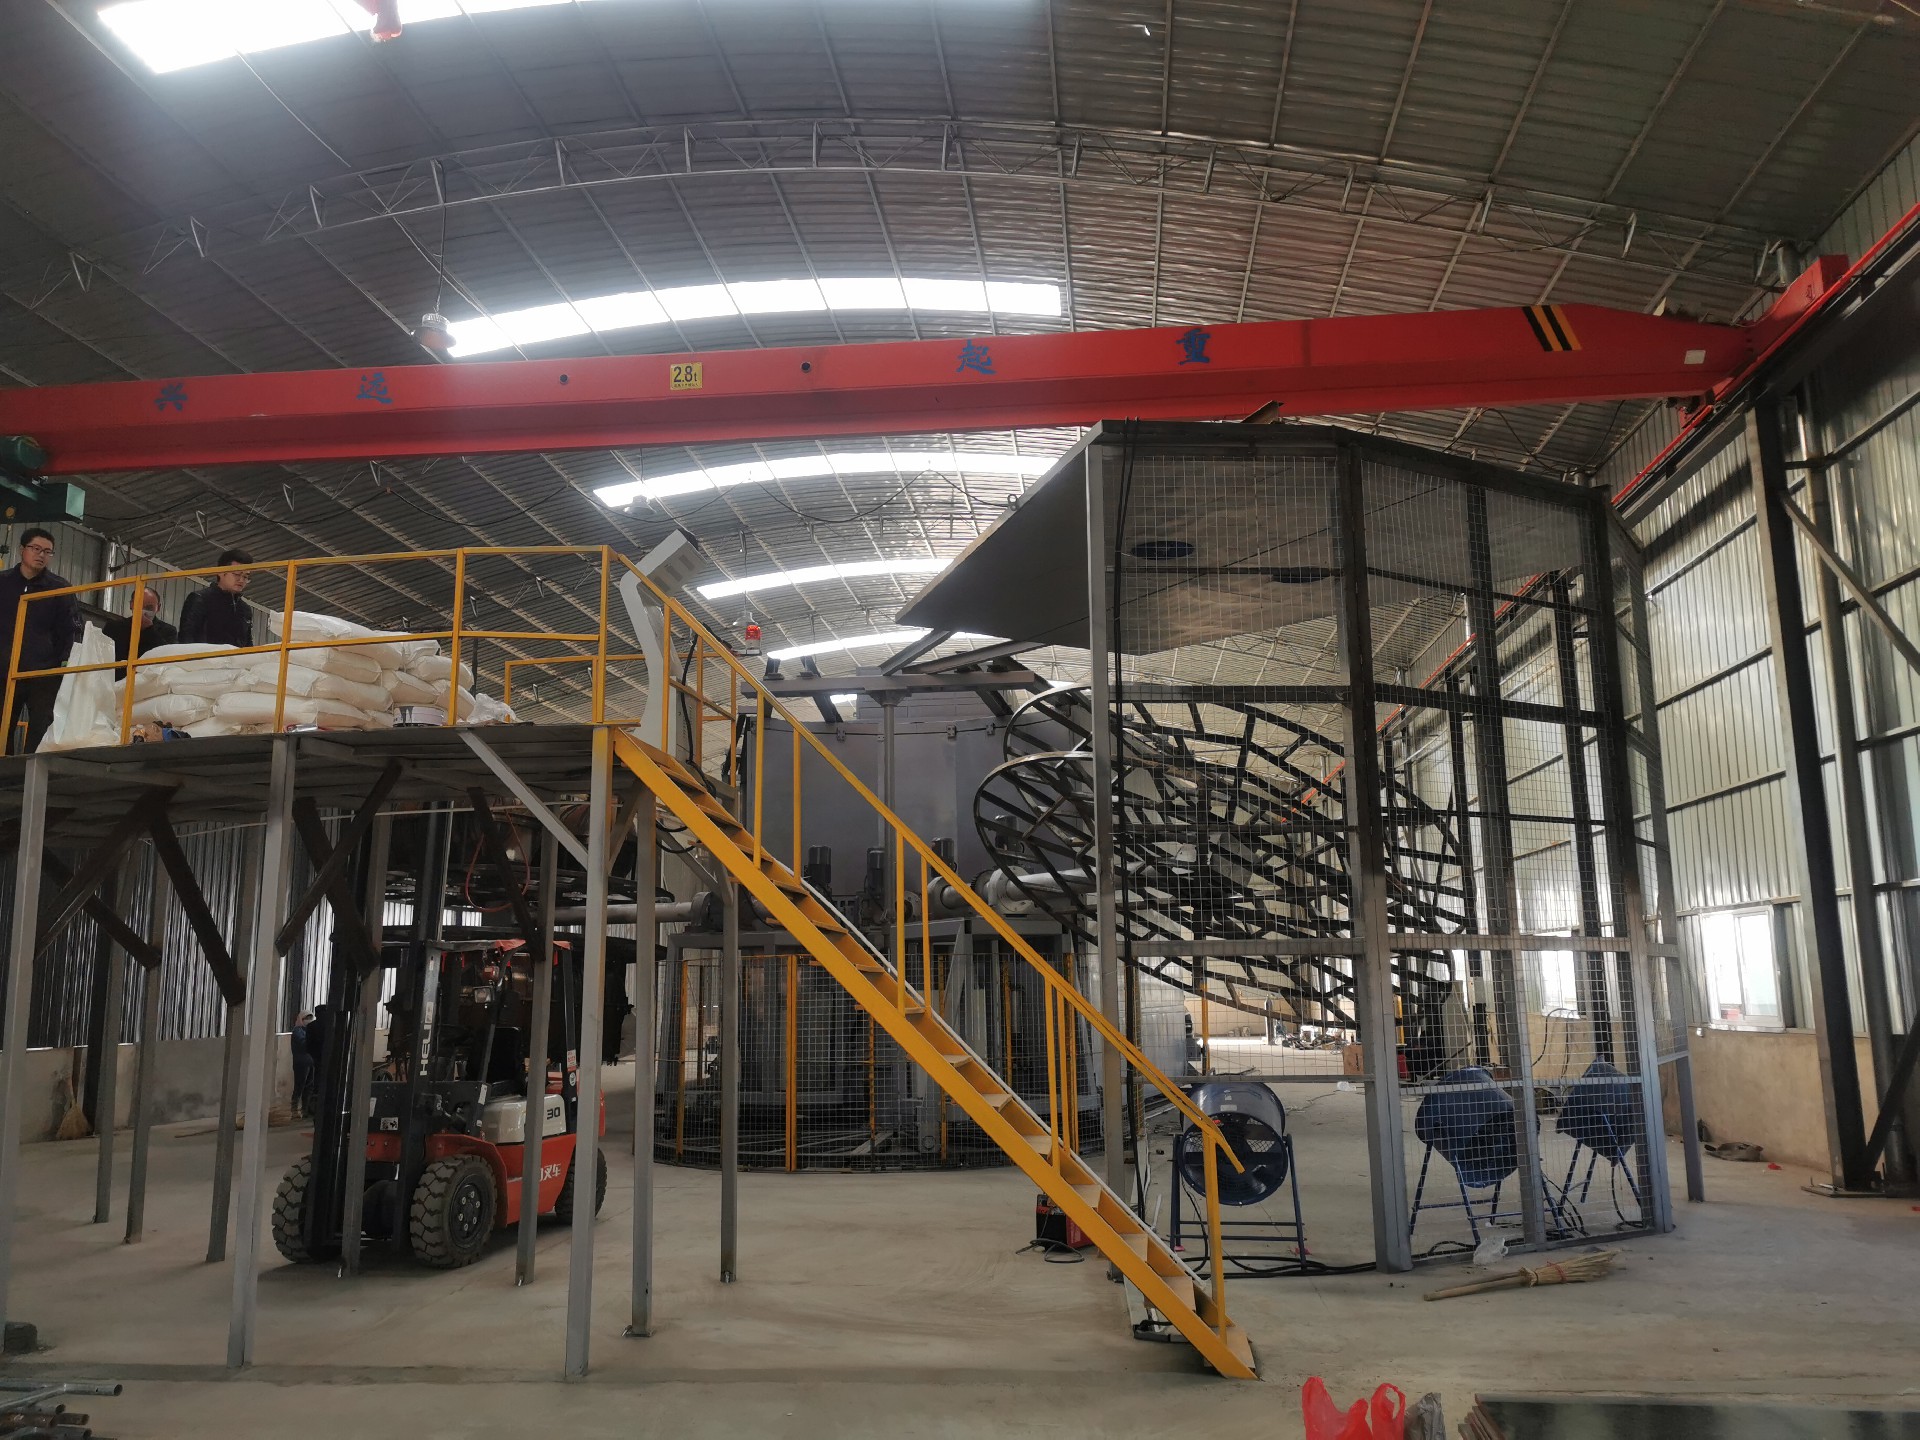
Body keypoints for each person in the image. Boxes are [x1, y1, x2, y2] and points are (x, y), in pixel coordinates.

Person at [0, 527, 79, 754]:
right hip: (4, 671)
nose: (41, 555)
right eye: (36, 548)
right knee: (2, 728)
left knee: (41, 728)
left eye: (47, 551)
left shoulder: (59, 588)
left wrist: (65, 664)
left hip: (43, 673)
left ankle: (33, 773)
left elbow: (71, 629)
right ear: (22, 550)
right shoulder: (3, 583)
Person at [178, 548, 256, 648]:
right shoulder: (201, 599)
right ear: (220, 572)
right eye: (237, 574)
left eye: (246, 577)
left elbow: (248, 645)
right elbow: (186, 638)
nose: (241, 580)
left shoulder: (245, 609)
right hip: (205, 656)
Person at [102, 584, 178, 680]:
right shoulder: (114, 627)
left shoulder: (168, 631)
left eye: (149, 608)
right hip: (117, 681)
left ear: (158, 608)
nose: (143, 611)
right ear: (131, 604)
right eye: (139, 606)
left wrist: (149, 630)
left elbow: (168, 657)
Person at [290, 1013, 315, 1118]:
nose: (308, 1020)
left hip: (311, 1062)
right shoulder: (297, 1031)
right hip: (301, 1063)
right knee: (299, 1086)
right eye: (306, 1018)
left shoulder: (309, 1030)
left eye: (310, 1018)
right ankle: (294, 1110)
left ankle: (305, 1110)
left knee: (309, 1087)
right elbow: (304, 1043)